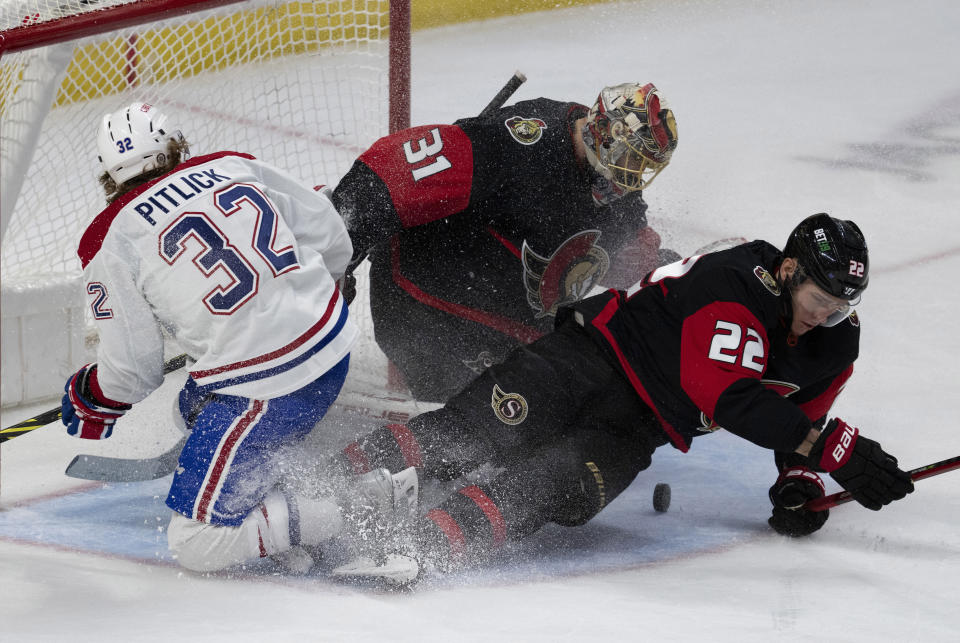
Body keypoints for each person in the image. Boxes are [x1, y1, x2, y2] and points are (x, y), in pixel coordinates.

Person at [326, 212, 915, 582]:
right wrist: (835, 451)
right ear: (788, 270)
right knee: (479, 430)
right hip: (590, 361)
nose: (828, 318)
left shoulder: (836, 343)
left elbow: (803, 420)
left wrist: (801, 481)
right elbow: (726, 395)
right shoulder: (737, 282)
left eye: (843, 308)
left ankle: (420, 543)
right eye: (821, 301)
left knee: (556, 485)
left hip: (637, 427)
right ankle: (327, 487)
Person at [60, 102, 415, 573]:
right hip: (332, 346)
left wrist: (93, 393)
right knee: (190, 407)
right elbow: (329, 230)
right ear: (175, 147)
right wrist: (321, 288)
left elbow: (132, 370)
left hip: (267, 390)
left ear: (107, 177)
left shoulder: (109, 239)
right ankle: (269, 485)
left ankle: (362, 508)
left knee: (196, 543)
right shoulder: (231, 165)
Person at [332, 81, 679, 402]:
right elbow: (391, 171)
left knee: (572, 410)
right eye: (631, 158)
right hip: (427, 305)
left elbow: (613, 255)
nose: (633, 175)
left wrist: (667, 275)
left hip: (512, 324)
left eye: (644, 165)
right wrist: (338, 251)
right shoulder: (516, 145)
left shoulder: (614, 182)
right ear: (605, 134)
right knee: (486, 430)